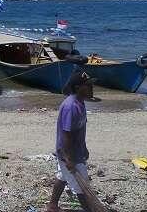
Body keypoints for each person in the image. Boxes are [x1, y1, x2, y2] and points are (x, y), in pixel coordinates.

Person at [46, 71, 94, 212]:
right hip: (70, 153)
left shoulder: (80, 103)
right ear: (78, 87)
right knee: (82, 187)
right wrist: (69, 159)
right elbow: (66, 134)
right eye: (88, 85)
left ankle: (52, 206)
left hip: (76, 151)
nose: (92, 88)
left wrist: (84, 148)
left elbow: (78, 131)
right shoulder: (71, 106)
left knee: (62, 176)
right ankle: (90, 209)